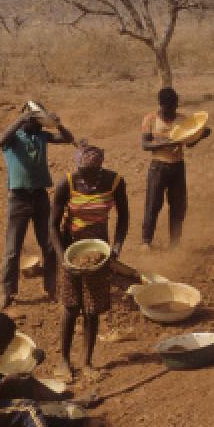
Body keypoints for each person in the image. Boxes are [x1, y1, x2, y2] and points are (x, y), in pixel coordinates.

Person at [50, 143, 129, 382]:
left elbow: (124, 217)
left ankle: (87, 361)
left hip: (99, 249)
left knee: (92, 309)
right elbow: (52, 225)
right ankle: (64, 360)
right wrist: (63, 258)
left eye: (93, 173)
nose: (88, 178)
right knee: (71, 306)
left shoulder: (115, 182)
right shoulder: (67, 183)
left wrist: (115, 249)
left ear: (101, 167)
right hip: (71, 247)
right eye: (83, 172)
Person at [0, 106, 74, 309]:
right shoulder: (13, 138)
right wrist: (21, 119)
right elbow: (1, 139)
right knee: (13, 249)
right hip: (19, 198)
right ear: (26, 119)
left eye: (39, 119)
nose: (37, 123)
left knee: (49, 245)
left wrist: (58, 124)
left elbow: (68, 139)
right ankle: (8, 292)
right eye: (34, 119)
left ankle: (51, 288)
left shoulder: (42, 136)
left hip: (40, 196)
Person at [140, 87, 211, 249]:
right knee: (153, 204)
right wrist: (169, 143)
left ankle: (175, 244)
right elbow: (145, 145)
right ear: (161, 105)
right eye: (170, 107)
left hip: (177, 167)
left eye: (175, 105)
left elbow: (189, 143)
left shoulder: (183, 120)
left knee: (178, 206)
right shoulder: (150, 119)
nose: (173, 109)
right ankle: (146, 241)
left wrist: (200, 136)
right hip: (158, 167)